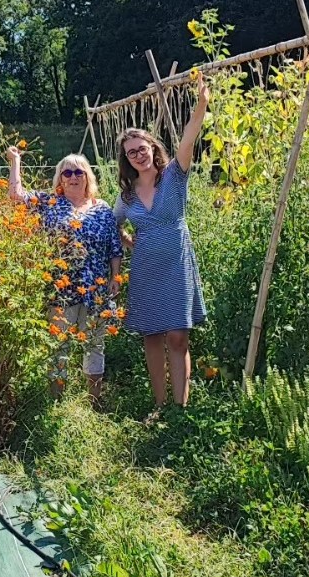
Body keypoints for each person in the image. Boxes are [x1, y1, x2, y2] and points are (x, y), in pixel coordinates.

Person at [113, 75, 211, 409]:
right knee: (152, 336)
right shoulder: (126, 195)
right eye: (131, 153)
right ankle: (158, 404)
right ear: (126, 160)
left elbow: (188, 138)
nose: (138, 155)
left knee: (178, 336)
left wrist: (201, 104)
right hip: (146, 269)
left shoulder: (174, 174)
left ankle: (180, 408)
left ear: (153, 148)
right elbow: (112, 225)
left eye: (142, 149)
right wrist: (128, 242)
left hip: (176, 263)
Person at [7, 149, 123, 405]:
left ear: (88, 177)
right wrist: (15, 162)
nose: (73, 176)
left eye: (78, 171)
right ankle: (56, 402)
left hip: (97, 289)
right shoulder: (50, 203)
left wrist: (116, 276)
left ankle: (94, 401)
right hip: (61, 289)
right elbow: (16, 196)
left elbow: (115, 247)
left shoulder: (102, 209)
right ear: (60, 178)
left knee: (95, 344)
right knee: (59, 346)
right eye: (67, 172)